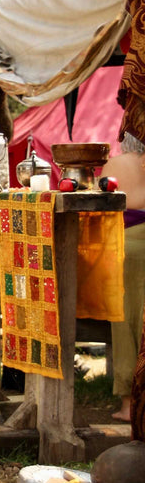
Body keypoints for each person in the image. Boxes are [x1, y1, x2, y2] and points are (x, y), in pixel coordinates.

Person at [100, 132, 145, 422]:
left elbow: (99, 207)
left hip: (126, 245)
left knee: (127, 320)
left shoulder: (115, 164)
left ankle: (130, 405)